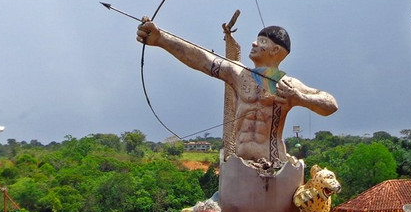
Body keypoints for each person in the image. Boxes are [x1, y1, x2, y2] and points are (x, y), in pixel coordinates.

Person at [137, 19, 337, 169]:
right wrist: (161, 38)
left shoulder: (288, 85)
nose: (254, 43)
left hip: (273, 165)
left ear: (275, 49)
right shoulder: (238, 73)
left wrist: (301, 98)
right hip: (240, 165)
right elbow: (203, 59)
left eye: (262, 41)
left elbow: (330, 104)